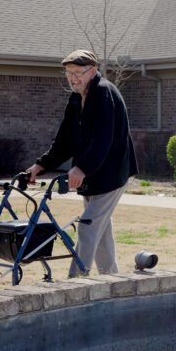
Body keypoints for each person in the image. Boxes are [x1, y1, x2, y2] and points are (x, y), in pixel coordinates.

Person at [25, 49, 138, 276]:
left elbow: (102, 140)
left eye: (78, 72)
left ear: (93, 71)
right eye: (69, 73)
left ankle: (74, 283)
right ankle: (112, 280)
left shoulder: (104, 93)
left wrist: (81, 168)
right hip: (93, 175)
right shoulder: (76, 98)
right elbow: (65, 139)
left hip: (111, 174)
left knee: (87, 228)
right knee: (99, 230)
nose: (73, 78)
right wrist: (41, 165)